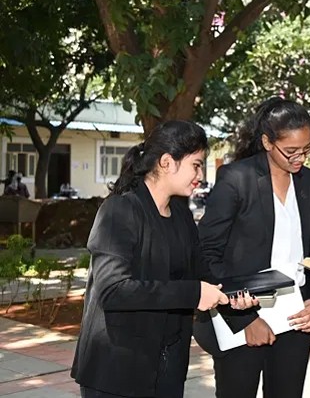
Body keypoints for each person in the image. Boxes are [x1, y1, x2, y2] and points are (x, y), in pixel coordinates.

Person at [71, 120, 240, 398]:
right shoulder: (120, 210)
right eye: (196, 165)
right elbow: (113, 291)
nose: (200, 175)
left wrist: (235, 297)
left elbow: (203, 275)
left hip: (167, 367)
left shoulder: (182, 215)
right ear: (166, 162)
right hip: (117, 370)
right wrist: (193, 293)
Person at [194, 97, 310, 398]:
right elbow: (206, 253)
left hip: (296, 319)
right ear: (267, 142)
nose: (300, 158)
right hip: (242, 315)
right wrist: (246, 319)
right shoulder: (236, 179)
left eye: (307, 149)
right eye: (291, 151)